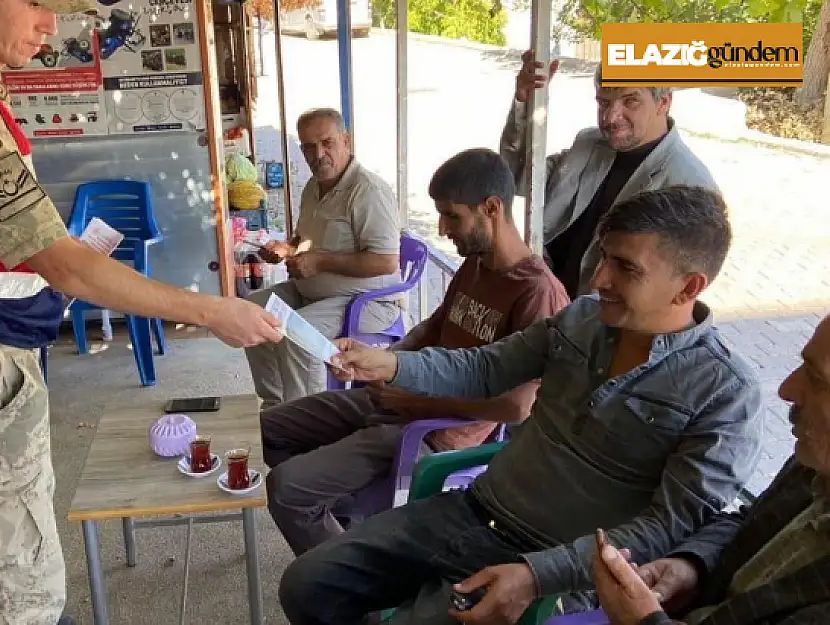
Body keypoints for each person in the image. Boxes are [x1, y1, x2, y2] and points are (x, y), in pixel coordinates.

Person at [0, 1, 282, 623]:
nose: (49, 27)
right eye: (36, 4)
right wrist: (213, 310)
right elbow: (65, 266)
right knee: (23, 587)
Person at [277, 185, 766, 625]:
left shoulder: (724, 394)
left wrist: (536, 576)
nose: (599, 279)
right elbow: (485, 368)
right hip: (475, 511)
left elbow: (666, 529)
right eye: (604, 258)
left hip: (556, 566)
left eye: (626, 268)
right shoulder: (583, 320)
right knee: (306, 585)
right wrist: (389, 364)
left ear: (689, 286)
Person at [261, 148, 569, 556]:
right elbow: (433, 326)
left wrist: (412, 394)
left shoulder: (538, 293)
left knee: (286, 489)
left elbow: (516, 407)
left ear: (491, 208)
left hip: (434, 431)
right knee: (265, 430)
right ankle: (348, 520)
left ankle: (347, 592)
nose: (442, 229)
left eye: (452, 216)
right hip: (398, 401)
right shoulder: (476, 265)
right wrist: (383, 357)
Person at [592, 313, 830, 625]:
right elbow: (750, 520)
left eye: (817, 379)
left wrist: (642, 621)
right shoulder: (815, 465)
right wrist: (692, 566)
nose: (786, 390)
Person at [501, 51, 717, 298]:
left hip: (600, 327)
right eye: (603, 102)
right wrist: (524, 102)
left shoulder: (690, 184)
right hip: (538, 304)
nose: (610, 117)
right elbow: (518, 178)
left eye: (630, 101)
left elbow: (677, 292)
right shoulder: (588, 143)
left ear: (664, 103)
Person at [245, 107, 403, 410]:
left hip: (367, 300)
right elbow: (307, 239)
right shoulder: (313, 187)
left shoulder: (368, 191)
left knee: (294, 334)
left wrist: (319, 262)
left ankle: (302, 417)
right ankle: (274, 406)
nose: (318, 153)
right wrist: (288, 249)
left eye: (327, 143)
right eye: (308, 146)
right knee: (253, 312)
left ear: (346, 141)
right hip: (313, 292)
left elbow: (386, 261)